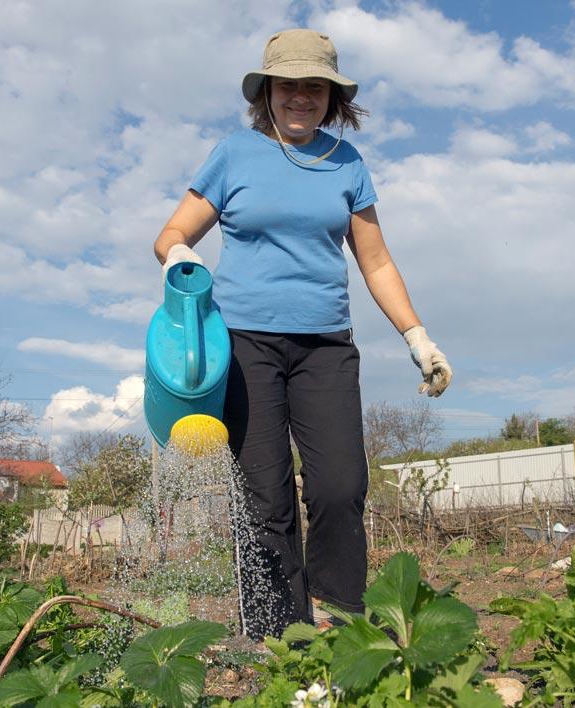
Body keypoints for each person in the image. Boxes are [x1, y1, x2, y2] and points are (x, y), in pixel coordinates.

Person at [153, 28, 452, 640]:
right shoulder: (235, 153)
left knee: (342, 487)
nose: (301, 96)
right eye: (288, 84)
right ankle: (273, 638)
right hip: (243, 349)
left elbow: (376, 261)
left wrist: (418, 337)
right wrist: (184, 259)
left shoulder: (348, 163)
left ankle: (344, 629)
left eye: (314, 86)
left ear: (332, 96)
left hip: (325, 347)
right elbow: (170, 234)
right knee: (264, 499)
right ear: (267, 91)